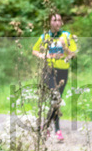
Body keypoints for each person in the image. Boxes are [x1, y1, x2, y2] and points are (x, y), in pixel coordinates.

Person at [32, 12, 78, 142]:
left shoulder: (66, 36)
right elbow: (34, 50)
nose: (57, 22)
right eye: (54, 20)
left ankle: (46, 127)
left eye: (59, 20)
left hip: (63, 71)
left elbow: (73, 55)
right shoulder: (45, 36)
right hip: (49, 71)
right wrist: (42, 56)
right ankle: (56, 130)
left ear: (61, 22)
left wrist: (64, 46)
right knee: (55, 97)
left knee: (56, 102)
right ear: (49, 22)